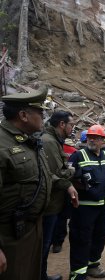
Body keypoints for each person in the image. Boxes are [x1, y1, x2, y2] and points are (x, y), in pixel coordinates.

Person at [0, 91, 52, 280]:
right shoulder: (2, 144)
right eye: (40, 112)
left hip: (30, 229)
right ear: (23, 115)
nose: (43, 117)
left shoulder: (28, 141)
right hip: (8, 236)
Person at [68, 124, 105, 280]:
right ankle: (77, 274)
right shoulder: (78, 156)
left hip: (103, 207)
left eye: (96, 138)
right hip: (84, 208)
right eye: (90, 137)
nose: (92, 140)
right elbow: (67, 177)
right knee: (81, 240)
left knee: (100, 237)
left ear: (103, 141)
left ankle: (93, 266)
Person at [41, 111, 79, 280]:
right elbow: (56, 172)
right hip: (49, 203)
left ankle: (42, 274)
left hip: (54, 201)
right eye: (71, 125)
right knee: (43, 244)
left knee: (46, 242)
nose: (72, 128)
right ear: (62, 124)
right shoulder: (49, 141)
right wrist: (71, 173)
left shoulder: (55, 140)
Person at [52, 138, 78, 254]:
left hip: (54, 186)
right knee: (63, 215)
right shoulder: (74, 151)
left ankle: (52, 240)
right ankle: (58, 242)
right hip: (67, 185)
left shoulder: (56, 149)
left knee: (53, 215)